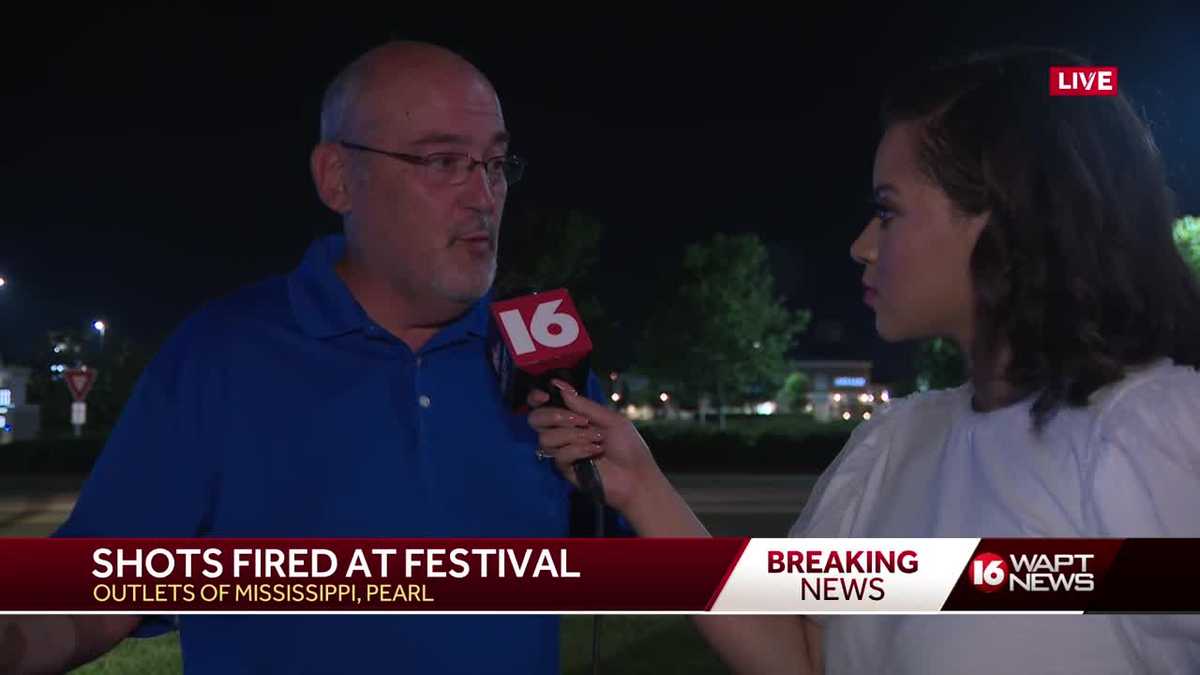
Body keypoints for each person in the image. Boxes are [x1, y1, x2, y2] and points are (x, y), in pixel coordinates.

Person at [528, 46, 1200, 674]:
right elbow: (802, 652)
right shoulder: (893, 443)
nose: (861, 245)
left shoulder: (1151, 434)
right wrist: (642, 488)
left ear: (1004, 216)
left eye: (888, 211)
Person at [1, 40, 605, 674]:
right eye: (443, 161)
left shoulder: (540, 358)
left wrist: (637, 486)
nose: (483, 196)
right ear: (337, 178)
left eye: (495, 164)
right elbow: (87, 596)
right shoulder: (222, 354)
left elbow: (651, 557)